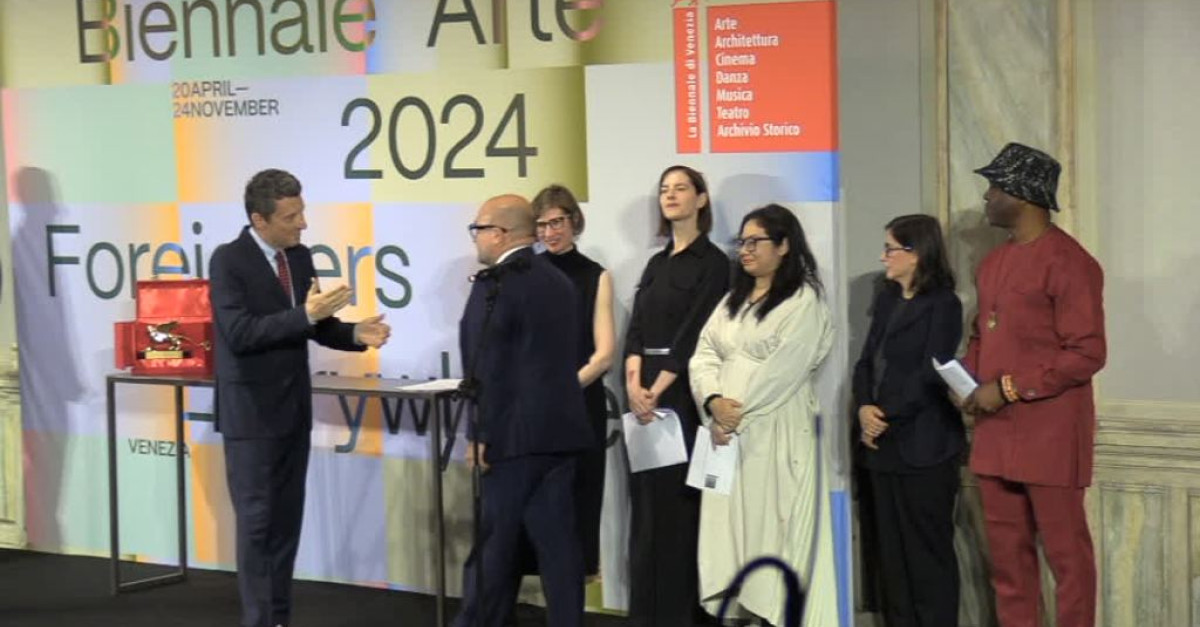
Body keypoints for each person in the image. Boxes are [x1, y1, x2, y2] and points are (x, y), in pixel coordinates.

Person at [209, 168, 391, 627]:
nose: (303, 224)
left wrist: (355, 334)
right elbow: (240, 332)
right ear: (259, 219)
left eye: (302, 212)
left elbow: (316, 325)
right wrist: (306, 314)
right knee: (258, 527)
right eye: (291, 217)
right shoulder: (228, 260)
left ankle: (279, 618)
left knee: (286, 525)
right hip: (251, 417)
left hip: (293, 412)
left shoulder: (300, 257)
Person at [962, 143, 1105, 627]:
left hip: (1051, 435)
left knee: (1068, 561)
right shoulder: (992, 264)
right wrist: (965, 379)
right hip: (995, 436)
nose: (987, 196)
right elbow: (982, 336)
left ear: (1023, 195)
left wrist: (1006, 388)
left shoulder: (1071, 263)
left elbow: (1087, 352)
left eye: (995, 186)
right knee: (1008, 565)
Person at [689, 204, 835, 627]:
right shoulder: (732, 301)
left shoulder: (803, 300)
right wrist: (713, 401)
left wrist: (735, 415)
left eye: (756, 241)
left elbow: (784, 369)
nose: (746, 250)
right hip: (725, 434)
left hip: (775, 430)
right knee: (731, 534)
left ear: (784, 245)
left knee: (773, 530)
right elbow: (704, 353)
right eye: (742, 242)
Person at [453, 194, 593, 627]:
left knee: (493, 546)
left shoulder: (495, 284)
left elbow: (484, 365)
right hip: (560, 434)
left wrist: (479, 433)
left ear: (500, 234)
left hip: (511, 437)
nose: (475, 237)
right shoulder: (559, 282)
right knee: (558, 547)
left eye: (478, 228)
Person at [624, 165, 729, 627]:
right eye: (665, 189)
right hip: (642, 398)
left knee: (679, 510)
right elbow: (636, 329)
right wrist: (633, 383)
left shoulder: (714, 263)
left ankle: (681, 615)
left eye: (681, 188)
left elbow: (696, 334)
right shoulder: (656, 263)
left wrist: (657, 389)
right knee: (645, 510)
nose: (670, 196)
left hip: (682, 397)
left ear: (701, 199)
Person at [852, 214, 964, 627]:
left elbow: (931, 372)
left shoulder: (944, 304)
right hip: (882, 448)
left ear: (916, 254)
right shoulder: (887, 299)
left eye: (890, 249)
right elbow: (866, 361)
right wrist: (864, 407)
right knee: (892, 559)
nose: (884, 257)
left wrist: (885, 416)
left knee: (926, 557)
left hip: (924, 446)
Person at [532, 184, 615, 578]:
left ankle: (576, 589)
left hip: (579, 406)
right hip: (535, 408)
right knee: (538, 504)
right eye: (542, 224)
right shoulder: (526, 273)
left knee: (579, 500)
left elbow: (604, 354)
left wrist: (561, 391)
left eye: (557, 222)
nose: (550, 232)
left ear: (574, 222)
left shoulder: (596, 276)